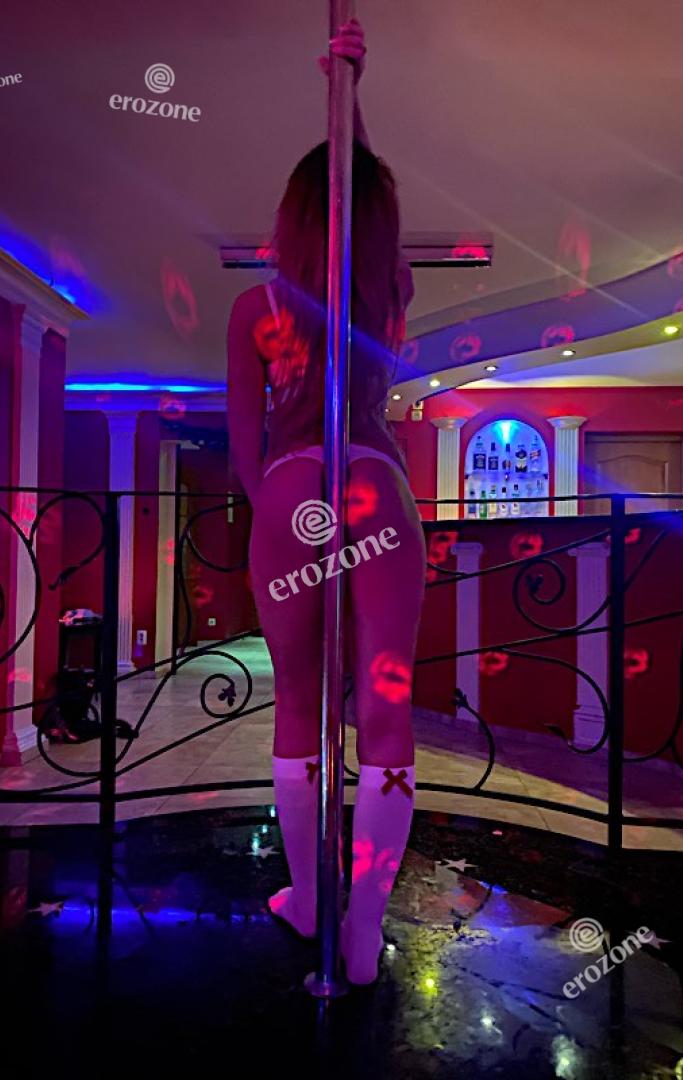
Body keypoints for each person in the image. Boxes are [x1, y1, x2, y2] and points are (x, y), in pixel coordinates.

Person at [226, 16, 426, 986]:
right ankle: (362, 933)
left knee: (298, 702)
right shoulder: (390, 290)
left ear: (289, 219)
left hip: (292, 488)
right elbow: (369, 202)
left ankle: (309, 900)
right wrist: (351, 93)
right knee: (386, 710)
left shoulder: (254, 312)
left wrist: (277, 519)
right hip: (374, 486)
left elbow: (244, 445)